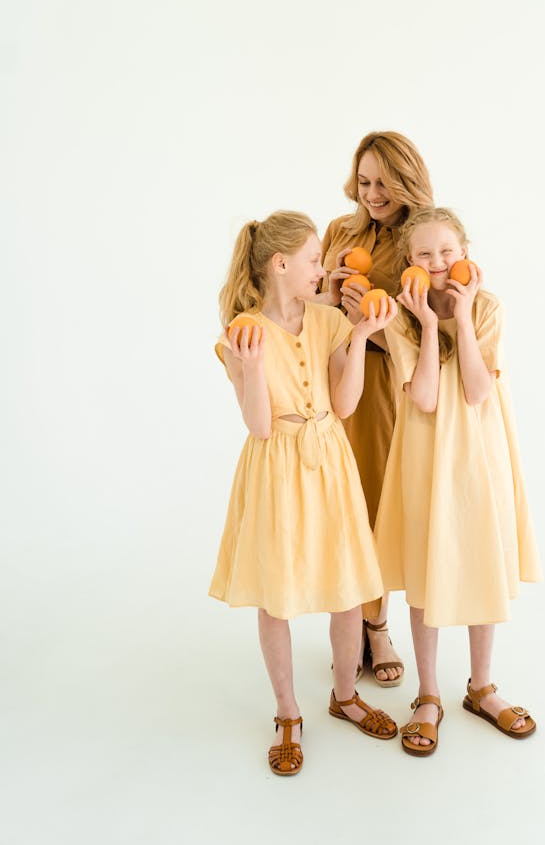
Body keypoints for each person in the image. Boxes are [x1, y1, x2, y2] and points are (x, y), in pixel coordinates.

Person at [209, 211, 400, 776]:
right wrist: (248, 369)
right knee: (278, 591)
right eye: (315, 260)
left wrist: (362, 333)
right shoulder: (244, 330)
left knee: (346, 586)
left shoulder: (328, 322)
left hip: (330, 460)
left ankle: (344, 695)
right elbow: (260, 426)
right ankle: (288, 712)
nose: (324, 269)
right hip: (277, 466)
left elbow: (344, 405)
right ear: (281, 264)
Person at [374, 207, 543, 756]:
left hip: (479, 452)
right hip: (425, 454)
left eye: (447, 251)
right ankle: (428, 694)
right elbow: (423, 396)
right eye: (423, 254)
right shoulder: (401, 318)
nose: (438, 263)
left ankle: (481, 687)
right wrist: (427, 324)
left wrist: (462, 318)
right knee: (427, 568)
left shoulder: (488, 309)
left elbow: (474, 389)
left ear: (465, 252)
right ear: (408, 264)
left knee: (479, 561)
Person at [317, 131, 434, 687]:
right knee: (344, 506)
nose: (372, 194)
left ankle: (378, 625)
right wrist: (328, 295)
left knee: (379, 508)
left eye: (383, 183)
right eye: (364, 182)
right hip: (337, 381)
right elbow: (306, 308)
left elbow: (436, 336)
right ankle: (353, 623)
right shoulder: (341, 232)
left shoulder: (424, 241)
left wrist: (373, 323)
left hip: (390, 386)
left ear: (407, 181)